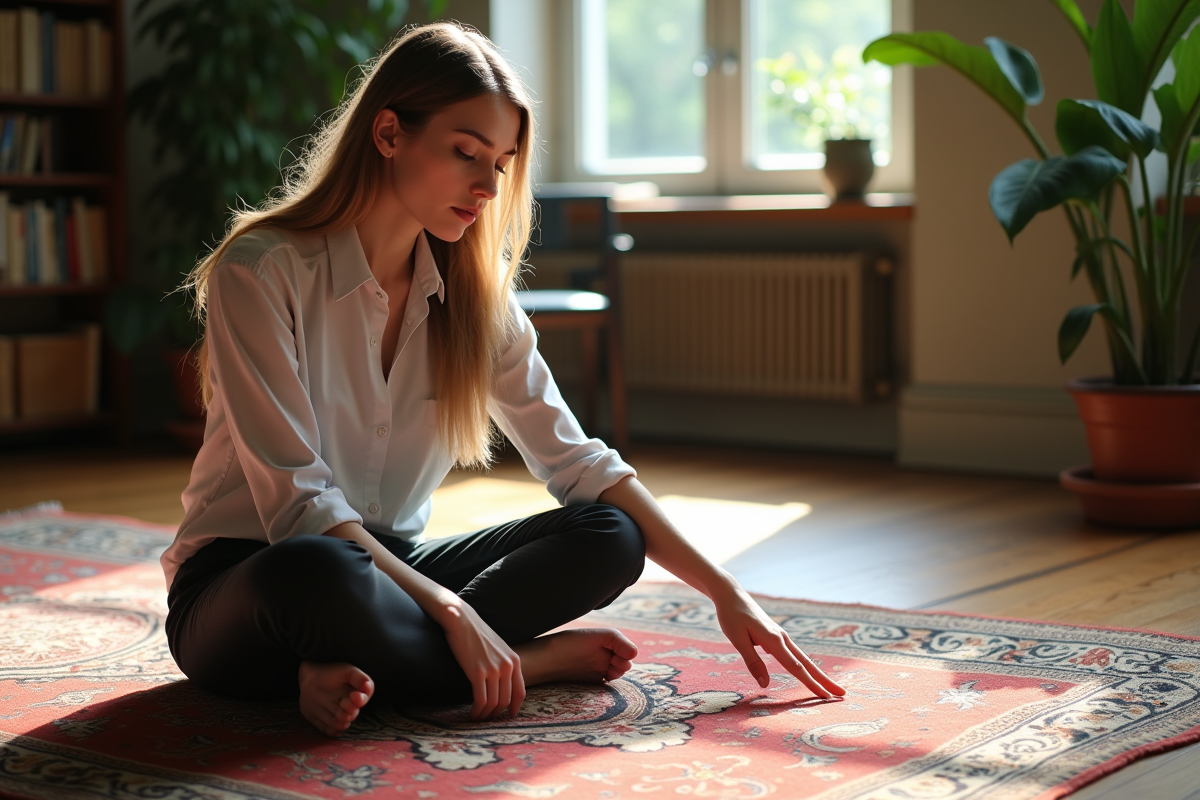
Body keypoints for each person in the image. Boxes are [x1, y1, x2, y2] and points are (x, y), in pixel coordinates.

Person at [161, 21, 845, 739]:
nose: (489, 185)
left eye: (503, 161)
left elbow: (579, 463)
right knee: (316, 572)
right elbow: (297, 506)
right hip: (251, 582)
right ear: (389, 133)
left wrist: (725, 590)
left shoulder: (477, 301)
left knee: (612, 533)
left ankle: (352, 663)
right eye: (466, 153)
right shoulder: (260, 269)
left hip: (389, 574)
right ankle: (523, 661)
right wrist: (454, 614)